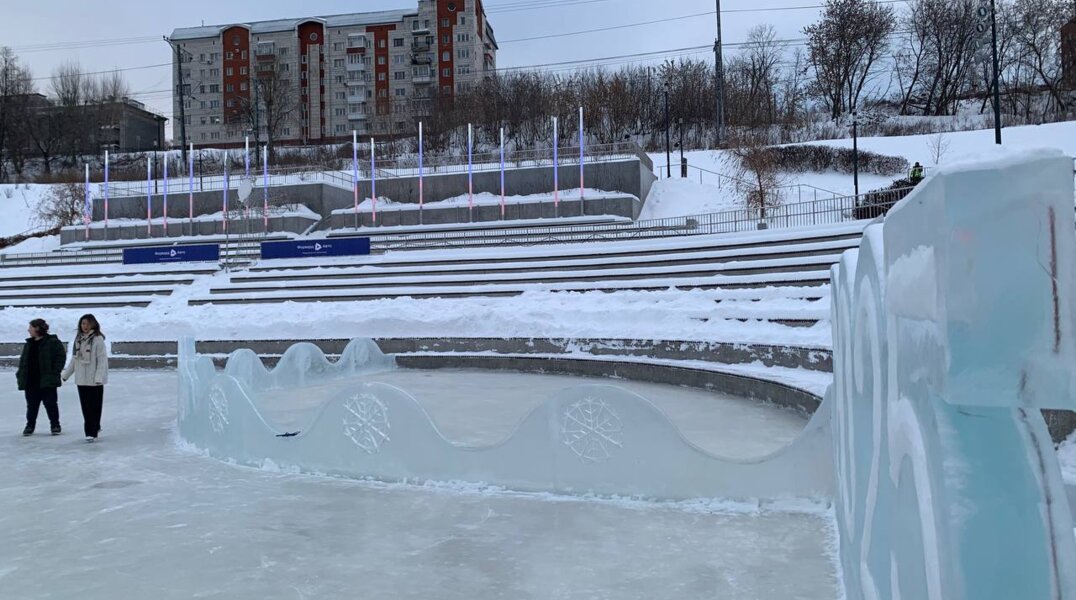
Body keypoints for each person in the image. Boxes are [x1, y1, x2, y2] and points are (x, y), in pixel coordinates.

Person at [62, 314, 108, 442]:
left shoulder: (98, 339)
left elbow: (102, 361)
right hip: (81, 379)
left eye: (87, 323)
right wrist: (65, 375)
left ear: (93, 324)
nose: (85, 326)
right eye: (83, 323)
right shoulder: (78, 339)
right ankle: (90, 431)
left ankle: (93, 429)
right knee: (86, 407)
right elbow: (74, 360)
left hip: (95, 380)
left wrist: (98, 377)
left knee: (95, 407)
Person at [16, 318, 66, 436]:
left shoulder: (52, 342)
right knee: (31, 405)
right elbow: (23, 361)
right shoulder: (29, 344)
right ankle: (30, 426)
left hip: (47, 380)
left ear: (37, 328)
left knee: (51, 403)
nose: (28, 330)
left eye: (30, 327)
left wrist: (54, 372)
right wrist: (20, 374)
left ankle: (55, 425)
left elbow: (60, 357)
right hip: (31, 380)